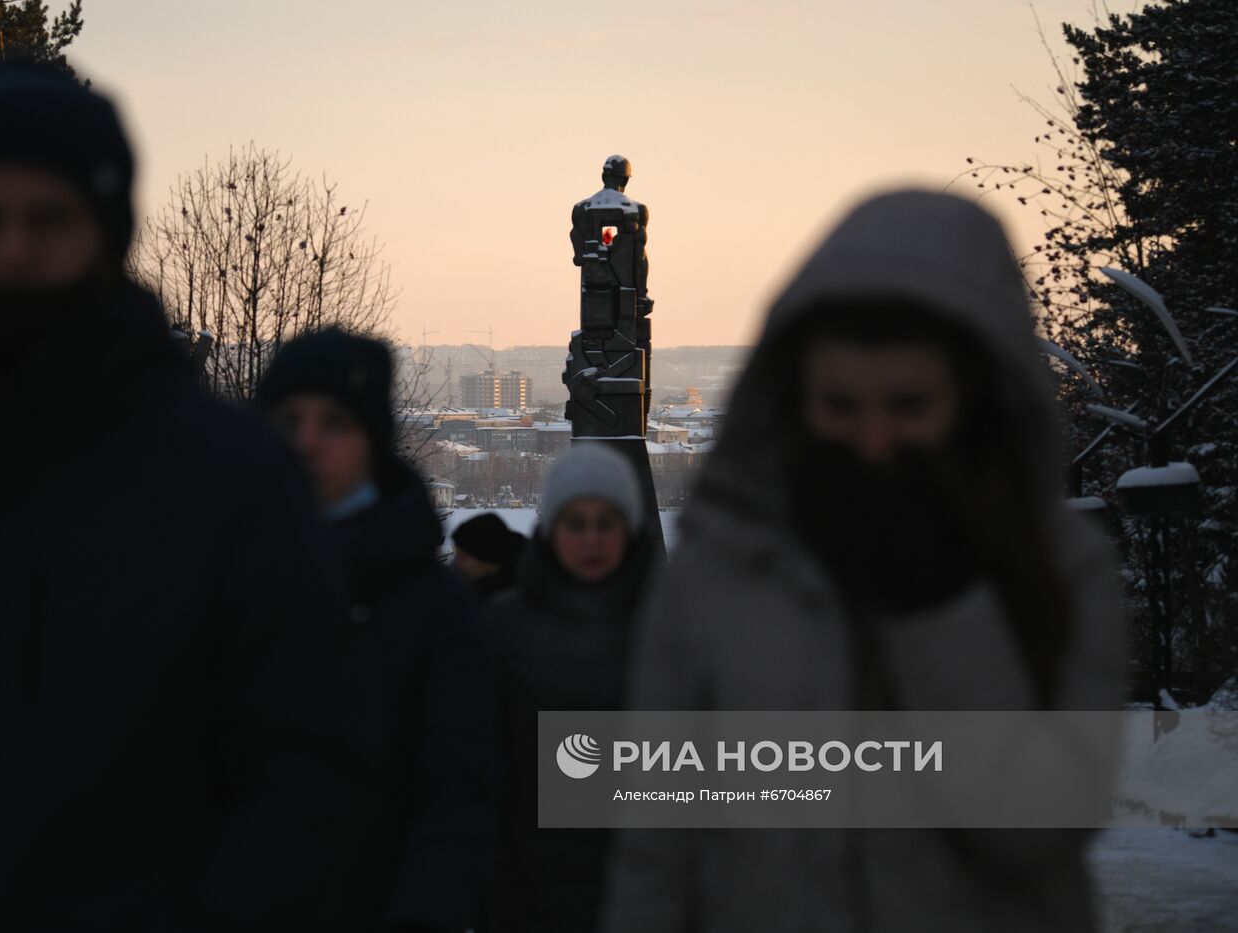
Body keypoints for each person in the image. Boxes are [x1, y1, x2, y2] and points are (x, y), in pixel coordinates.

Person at [0, 63, 349, 931]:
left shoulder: (229, 480)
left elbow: (304, 773)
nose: (14, 248)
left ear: (105, 232)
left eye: (48, 218)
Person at [600, 190, 1126, 932]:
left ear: (975, 397)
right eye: (840, 407)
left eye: (909, 406)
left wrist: (939, 608)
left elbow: (1044, 828)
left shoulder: (1061, 565)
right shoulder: (720, 568)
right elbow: (656, 845)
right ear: (794, 398)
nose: (874, 443)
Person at [257, 327, 491, 933]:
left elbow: (456, 793)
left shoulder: (431, 607)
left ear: (373, 443)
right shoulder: (218, 576)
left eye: (334, 423)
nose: (307, 443)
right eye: (288, 422)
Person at [486, 443, 660, 933]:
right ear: (551, 530)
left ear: (629, 529)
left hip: (646, 888)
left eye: (606, 523)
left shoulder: (670, 629)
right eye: (575, 523)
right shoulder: (504, 627)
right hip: (529, 891)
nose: (591, 540)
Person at [451, 512, 526, 605]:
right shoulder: (463, 587)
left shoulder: (525, 598)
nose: (455, 561)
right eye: (456, 554)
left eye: (463, 557)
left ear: (486, 558)